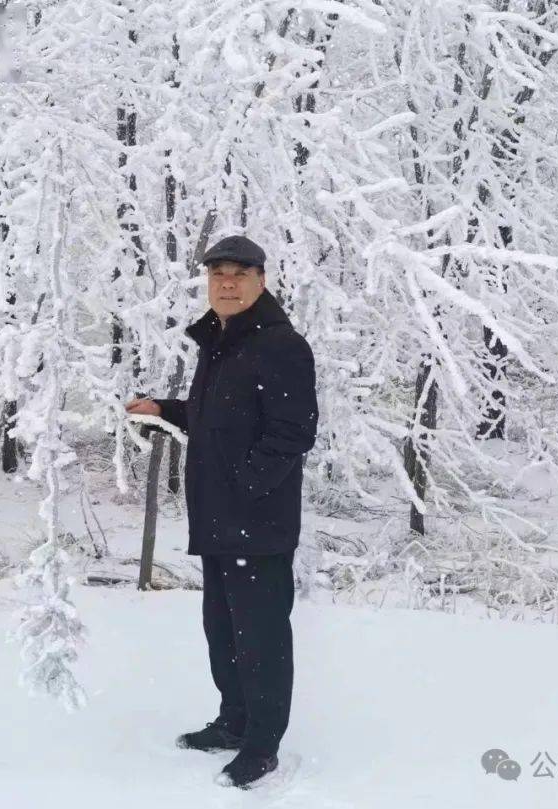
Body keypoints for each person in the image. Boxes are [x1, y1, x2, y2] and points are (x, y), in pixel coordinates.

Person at [124, 234, 318, 789]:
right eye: (217, 275)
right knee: (223, 630)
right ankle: (234, 721)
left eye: (238, 274)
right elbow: (219, 418)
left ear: (261, 280)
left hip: (256, 522)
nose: (226, 284)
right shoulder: (223, 342)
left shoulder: (280, 345)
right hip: (218, 519)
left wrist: (245, 486)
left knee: (260, 636)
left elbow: (292, 432)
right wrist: (164, 408)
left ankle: (262, 744)